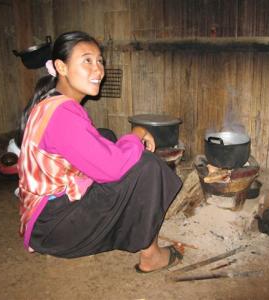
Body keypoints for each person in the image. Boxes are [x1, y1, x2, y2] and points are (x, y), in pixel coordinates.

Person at [17, 31, 183, 273]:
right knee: (147, 166)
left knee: (104, 135)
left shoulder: (50, 102)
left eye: (99, 61)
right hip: (53, 228)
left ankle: (131, 226)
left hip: (42, 220)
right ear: (61, 67)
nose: (98, 70)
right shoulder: (62, 115)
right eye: (87, 60)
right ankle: (151, 255)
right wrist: (136, 134)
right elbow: (113, 168)